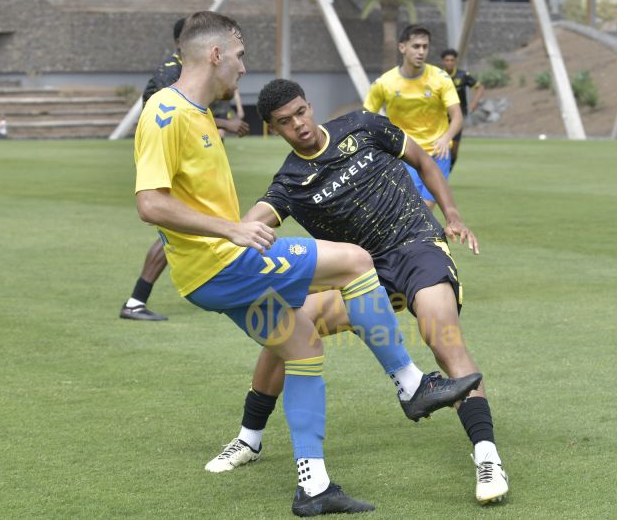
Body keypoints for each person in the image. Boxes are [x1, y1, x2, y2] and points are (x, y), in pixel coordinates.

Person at [134, 11, 478, 517]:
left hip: (210, 272)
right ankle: (411, 384)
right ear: (215, 54)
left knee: (302, 344)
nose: (244, 67)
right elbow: (150, 203)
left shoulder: (199, 113)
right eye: (241, 54)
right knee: (356, 262)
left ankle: (312, 487)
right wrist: (233, 230)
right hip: (220, 265)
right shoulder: (166, 113)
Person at [205, 79, 509, 506]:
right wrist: (222, 233)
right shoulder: (290, 182)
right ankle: (249, 438)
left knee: (440, 334)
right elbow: (253, 219)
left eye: (301, 113)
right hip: (364, 274)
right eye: (285, 122)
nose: (299, 125)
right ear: (274, 130)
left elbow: (422, 159)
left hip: (417, 245)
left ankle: (487, 456)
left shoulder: (362, 126)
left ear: (309, 106)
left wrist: (453, 213)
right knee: (291, 325)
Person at [121, 17, 249, 321]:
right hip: (167, 148)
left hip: (182, 143)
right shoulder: (173, 75)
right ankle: (136, 300)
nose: (242, 67)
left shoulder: (189, 69)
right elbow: (180, 108)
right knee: (176, 228)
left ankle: (136, 300)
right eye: (239, 56)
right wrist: (227, 123)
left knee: (290, 338)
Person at [363, 24, 463, 210]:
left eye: (425, 47)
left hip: (437, 153)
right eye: (416, 46)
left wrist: (446, 138)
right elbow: (366, 117)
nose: (421, 51)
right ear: (402, 47)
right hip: (405, 153)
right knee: (411, 209)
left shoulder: (440, 78)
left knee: (425, 207)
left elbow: (457, 116)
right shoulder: (384, 83)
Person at [440, 48, 484, 170]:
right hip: (440, 117)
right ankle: (441, 174)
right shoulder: (437, 76)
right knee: (440, 145)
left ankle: (448, 169)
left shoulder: (463, 75)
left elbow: (479, 88)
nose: (449, 63)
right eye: (447, 60)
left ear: (455, 61)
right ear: (443, 61)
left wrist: (474, 103)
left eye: (452, 60)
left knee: (454, 149)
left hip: (457, 117)